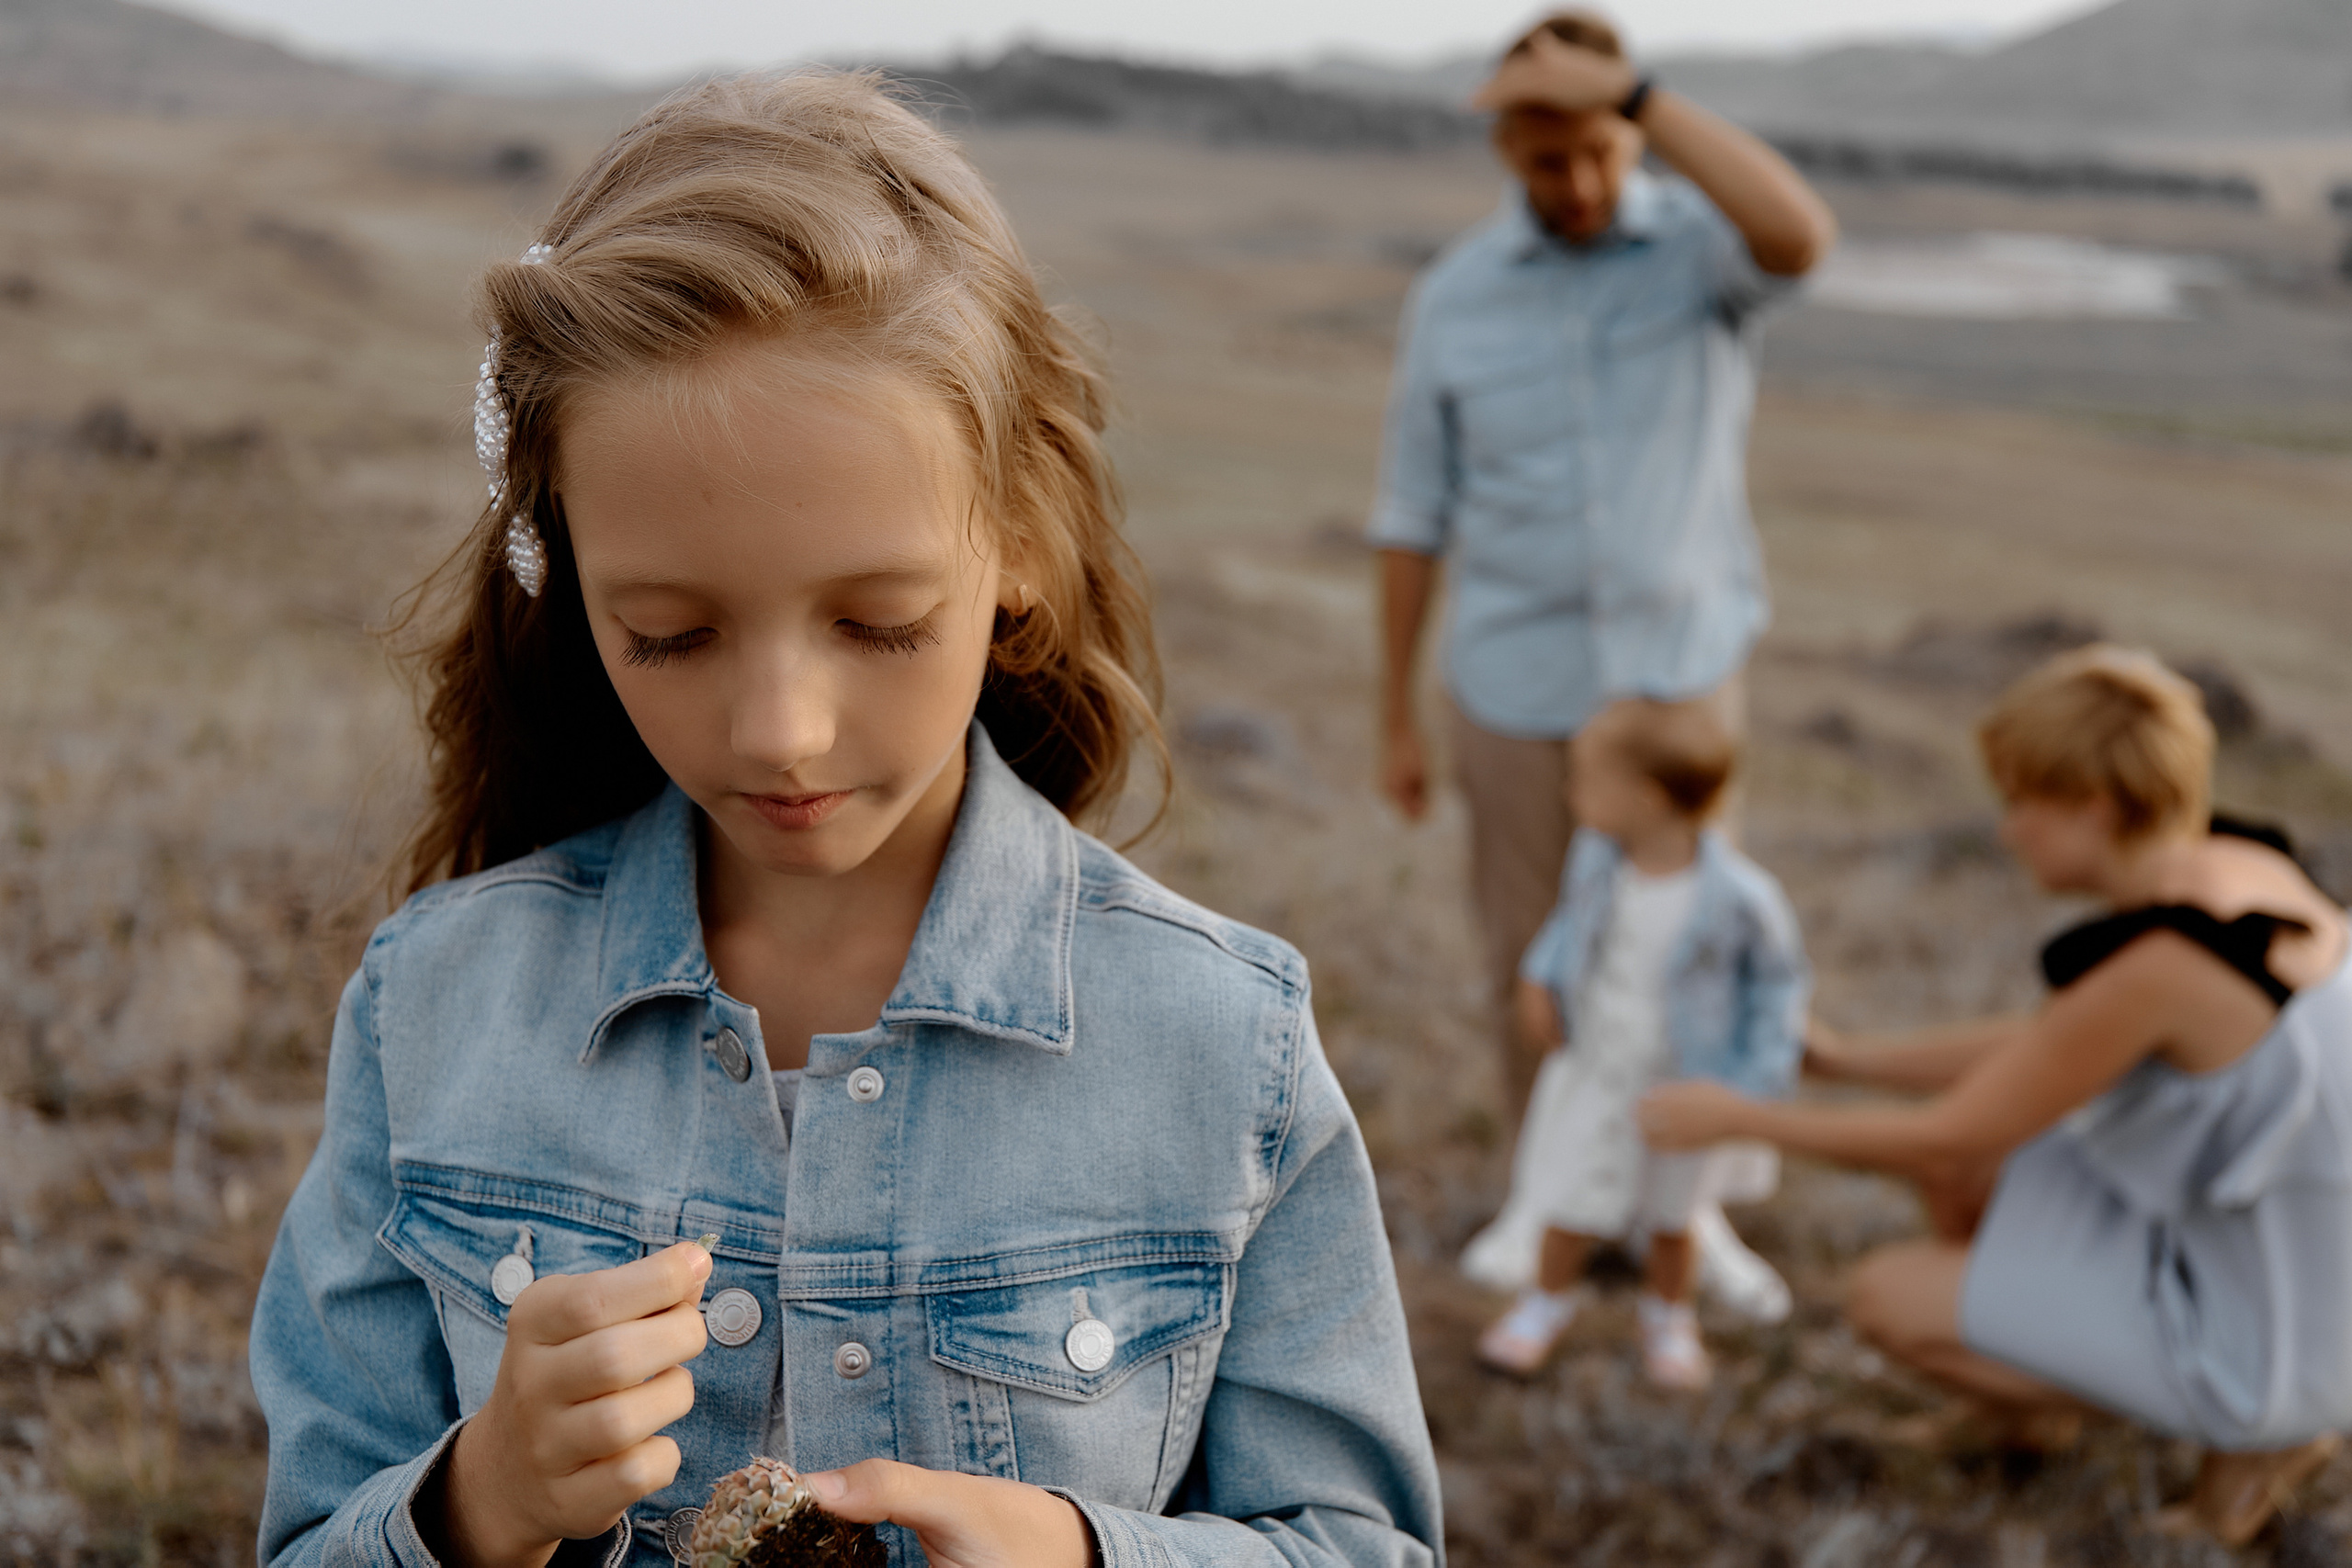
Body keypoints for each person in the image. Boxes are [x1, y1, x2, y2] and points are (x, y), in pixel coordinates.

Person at [249, 73, 1441, 1568]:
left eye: (877, 623)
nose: (778, 732)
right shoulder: (432, 1010)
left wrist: (1084, 1553)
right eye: (670, 635)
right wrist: (477, 1499)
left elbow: (1366, 1545)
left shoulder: (1222, 1044)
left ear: (1019, 540)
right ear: (567, 583)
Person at [1643, 646, 2352, 1546]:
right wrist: (1847, 1062)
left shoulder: (2167, 962)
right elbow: (2043, 1055)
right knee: (1984, 1167)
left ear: (2091, 807)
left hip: (2281, 1329)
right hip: (2297, 1260)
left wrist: (1739, 1119)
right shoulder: (2247, 875)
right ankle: (2031, 1412)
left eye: (2022, 802)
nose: (2006, 829)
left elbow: (1944, 1136)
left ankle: (2255, 1444)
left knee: (1886, 1297)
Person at [1464, 697, 1807, 1386]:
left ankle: (1668, 1316)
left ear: (1647, 799)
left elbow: (1779, 984)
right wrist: (1540, 977)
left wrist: (1756, 1076)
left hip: (1683, 1076)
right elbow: (1568, 928)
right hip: (1600, 1061)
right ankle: (1545, 1301)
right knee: (1569, 1191)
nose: (1571, 792)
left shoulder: (1740, 897)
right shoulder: (1598, 862)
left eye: (1588, 780)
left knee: (1674, 1210)